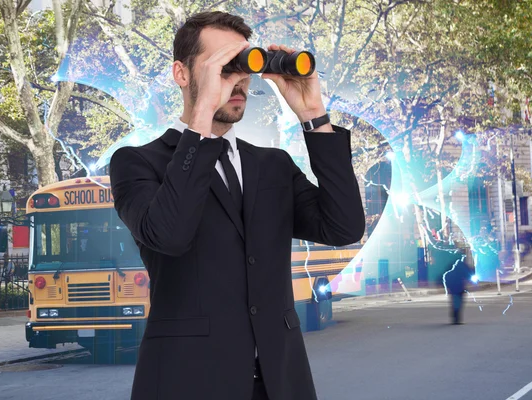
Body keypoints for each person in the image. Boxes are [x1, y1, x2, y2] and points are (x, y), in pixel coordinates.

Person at [110, 11, 365, 400]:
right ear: (181, 74)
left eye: (242, 66)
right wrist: (201, 121)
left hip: (281, 383)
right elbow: (170, 235)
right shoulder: (138, 163)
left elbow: (344, 226)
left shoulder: (272, 165)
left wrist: (313, 115)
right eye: (223, 67)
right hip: (186, 383)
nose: (238, 80)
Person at [444, 250, 473, 325]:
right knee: (459, 302)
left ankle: (455, 317)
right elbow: (468, 273)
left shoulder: (451, 264)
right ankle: (456, 318)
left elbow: (446, 274)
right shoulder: (461, 265)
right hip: (459, 286)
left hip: (454, 286)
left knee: (455, 302)